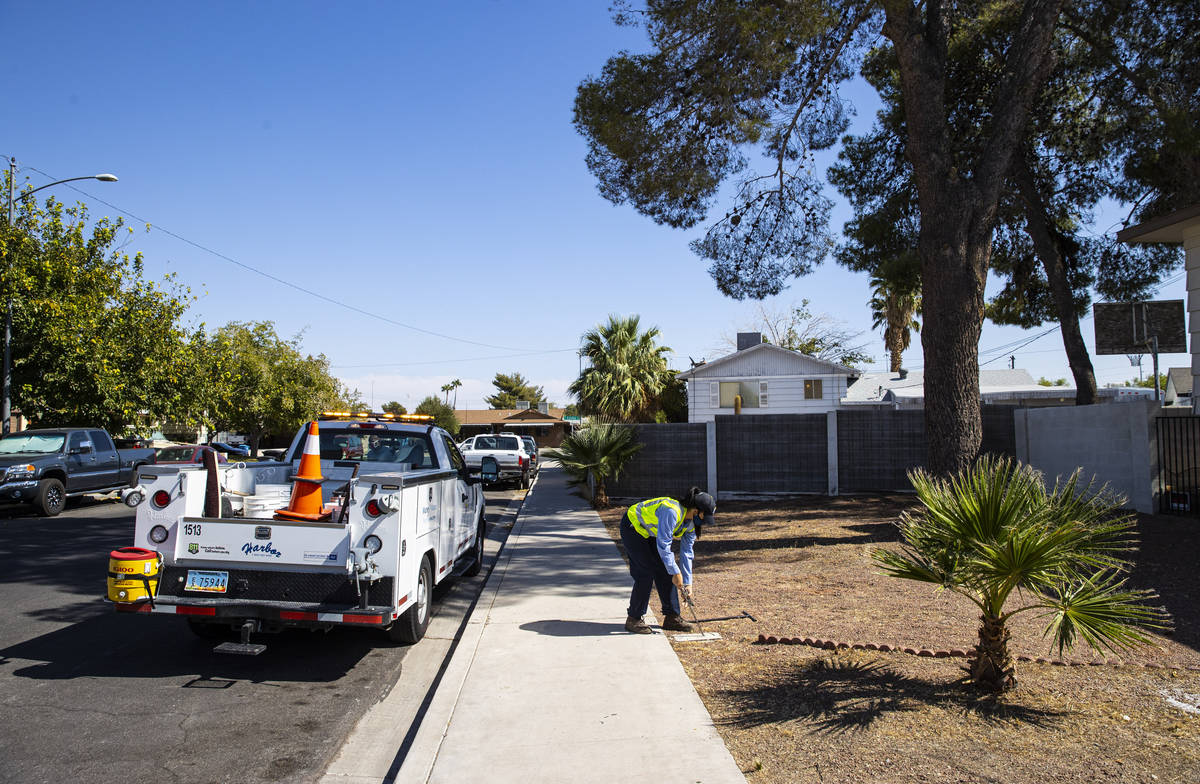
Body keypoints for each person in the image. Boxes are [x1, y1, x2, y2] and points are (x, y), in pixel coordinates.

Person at [621, 487, 716, 634]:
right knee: (645, 573)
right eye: (705, 517)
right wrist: (676, 572)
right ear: (696, 511)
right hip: (633, 527)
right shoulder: (672, 511)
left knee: (666, 570)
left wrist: (687, 582)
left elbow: (687, 553)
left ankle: (672, 617)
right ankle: (634, 618)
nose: (704, 522)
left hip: (650, 533)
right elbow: (664, 545)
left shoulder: (691, 524)